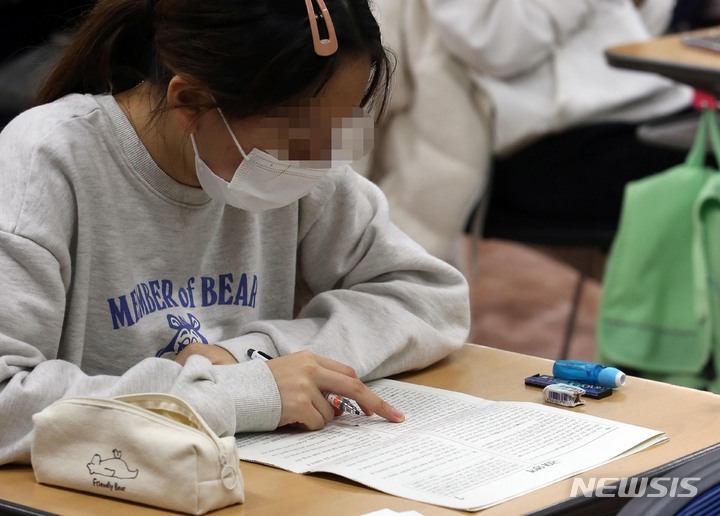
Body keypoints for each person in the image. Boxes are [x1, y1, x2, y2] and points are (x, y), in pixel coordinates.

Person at [0, 0, 471, 465]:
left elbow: (430, 297)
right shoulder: (46, 161)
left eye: (341, 125)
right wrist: (236, 393)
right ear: (189, 101)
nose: (324, 156)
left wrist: (255, 355)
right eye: (302, 135)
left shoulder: (306, 170)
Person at [424, 0, 694, 232]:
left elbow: (646, 31)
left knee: (704, 147)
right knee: (701, 174)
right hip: (551, 140)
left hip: (646, 107)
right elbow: (494, 47)